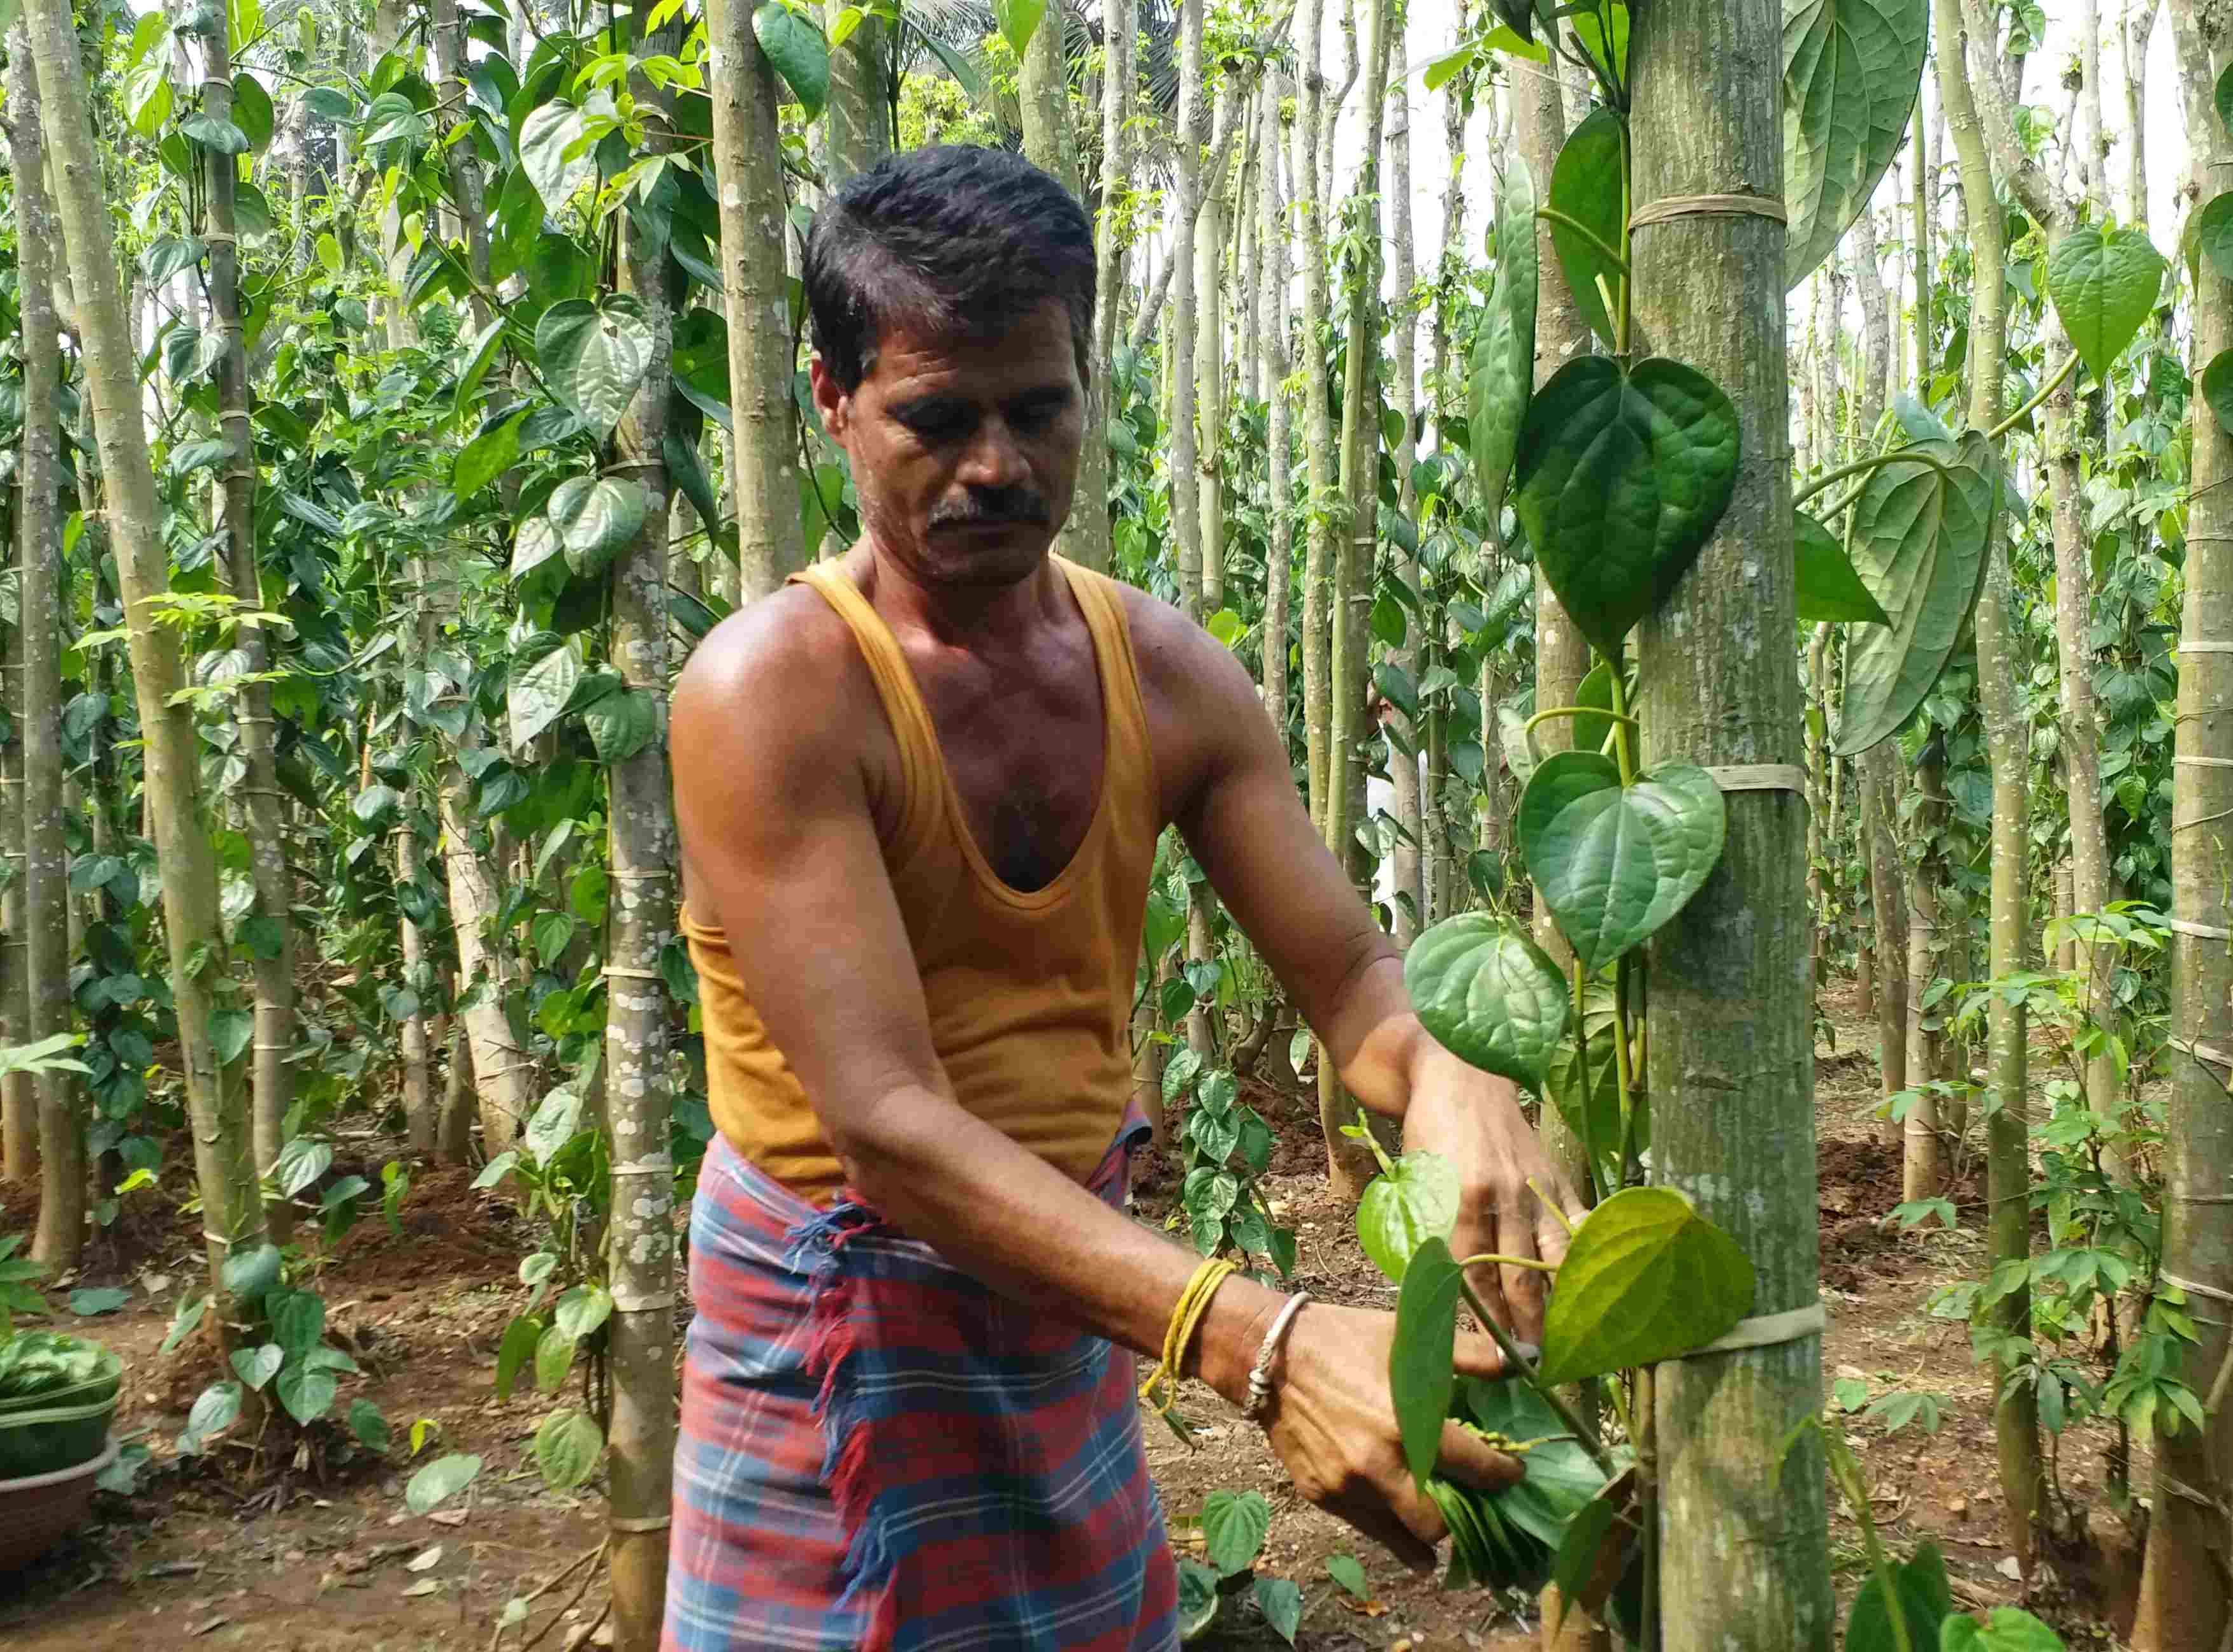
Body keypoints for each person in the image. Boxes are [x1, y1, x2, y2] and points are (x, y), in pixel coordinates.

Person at [664, 145, 1579, 1652]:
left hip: (1070, 1304)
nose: (997, 466)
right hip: (838, 1335)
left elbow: (1354, 985)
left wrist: (1456, 1071)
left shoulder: (1165, 676)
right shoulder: (774, 695)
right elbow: (889, 1129)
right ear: (833, 403)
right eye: (935, 420)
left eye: (1039, 409)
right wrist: (1265, 1340)